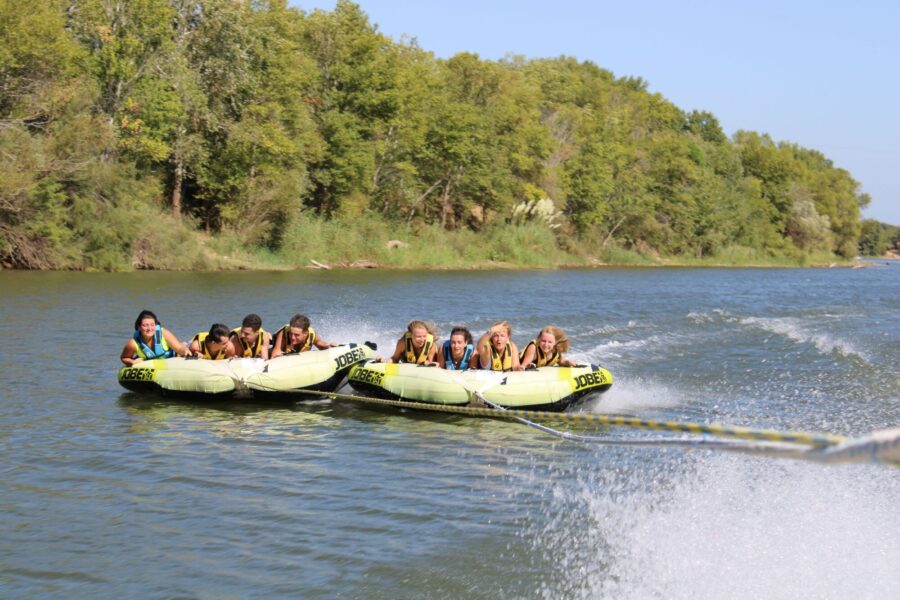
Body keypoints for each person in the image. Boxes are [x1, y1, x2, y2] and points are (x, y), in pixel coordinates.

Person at [121, 309, 188, 366]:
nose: (149, 328)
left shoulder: (164, 333)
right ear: (139, 327)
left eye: (152, 325)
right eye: (145, 325)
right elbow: (124, 357)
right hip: (152, 368)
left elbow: (179, 348)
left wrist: (185, 351)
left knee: (185, 346)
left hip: (173, 357)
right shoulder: (133, 343)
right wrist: (132, 362)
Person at [270, 314, 337, 358]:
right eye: (291, 333)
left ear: (305, 333)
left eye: (297, 335)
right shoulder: (283, 333)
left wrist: (329, 346)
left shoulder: (311, 334)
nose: (292, 337)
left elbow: (321, 345)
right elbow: (275, 354)